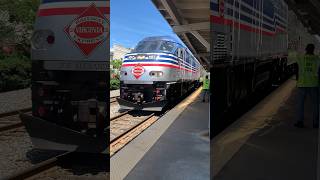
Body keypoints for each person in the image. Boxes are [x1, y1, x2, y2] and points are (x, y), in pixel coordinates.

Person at [295, 43, 320, 128]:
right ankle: (315, 122)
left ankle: (300, 121)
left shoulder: (301, 58)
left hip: (302, 84)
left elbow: (297, 66)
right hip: (313, 84)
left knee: (300, 104)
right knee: (315, 104)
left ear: (306, 49)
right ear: (313, 50)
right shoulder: (317, 59)